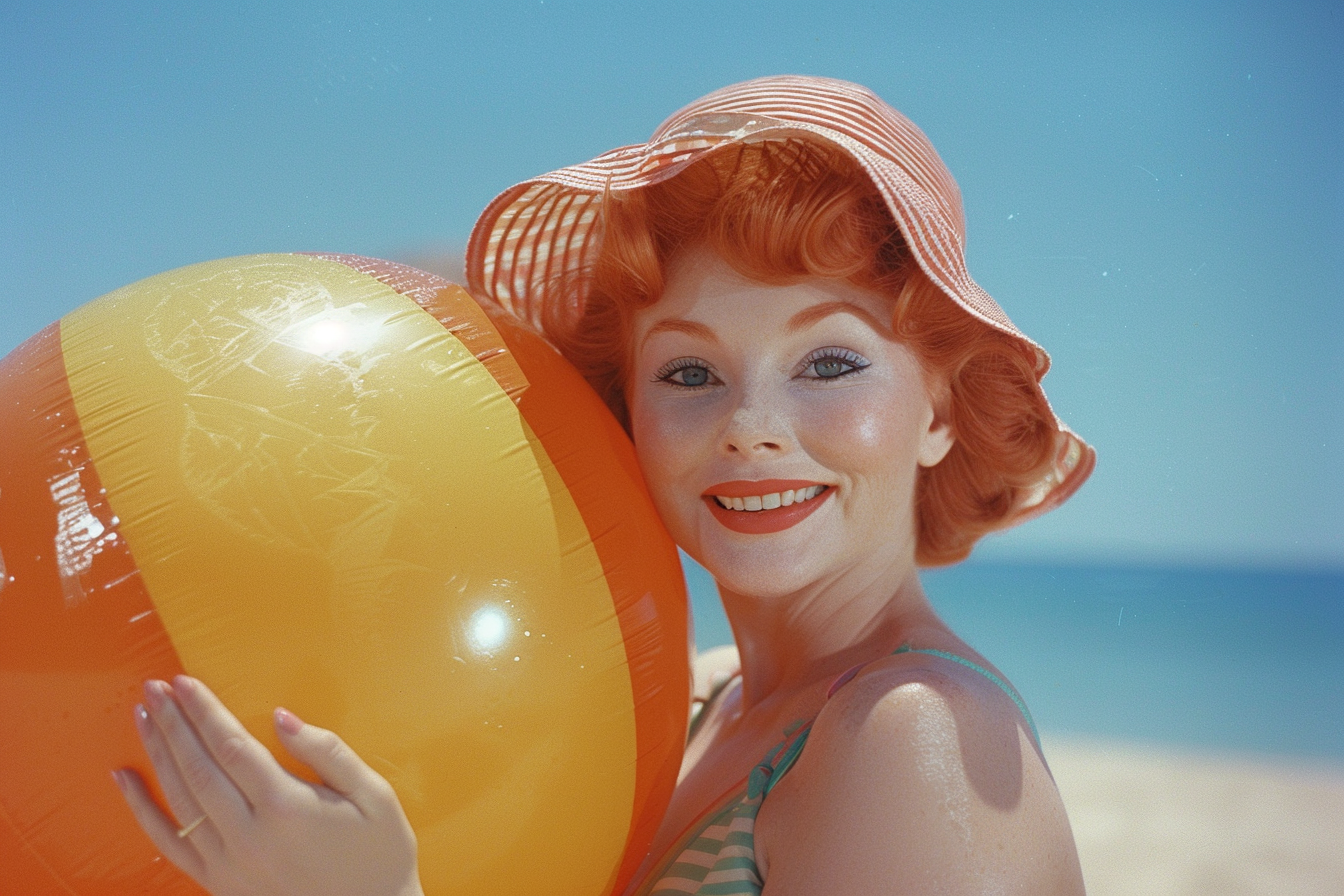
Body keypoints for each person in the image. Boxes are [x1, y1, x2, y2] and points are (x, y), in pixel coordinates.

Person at [113, 75, 1095, 895]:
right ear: (625, 412)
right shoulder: (703, 699)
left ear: (939, 413)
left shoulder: (916, 742)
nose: (750, 426)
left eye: (829, 363)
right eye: (689, 373)